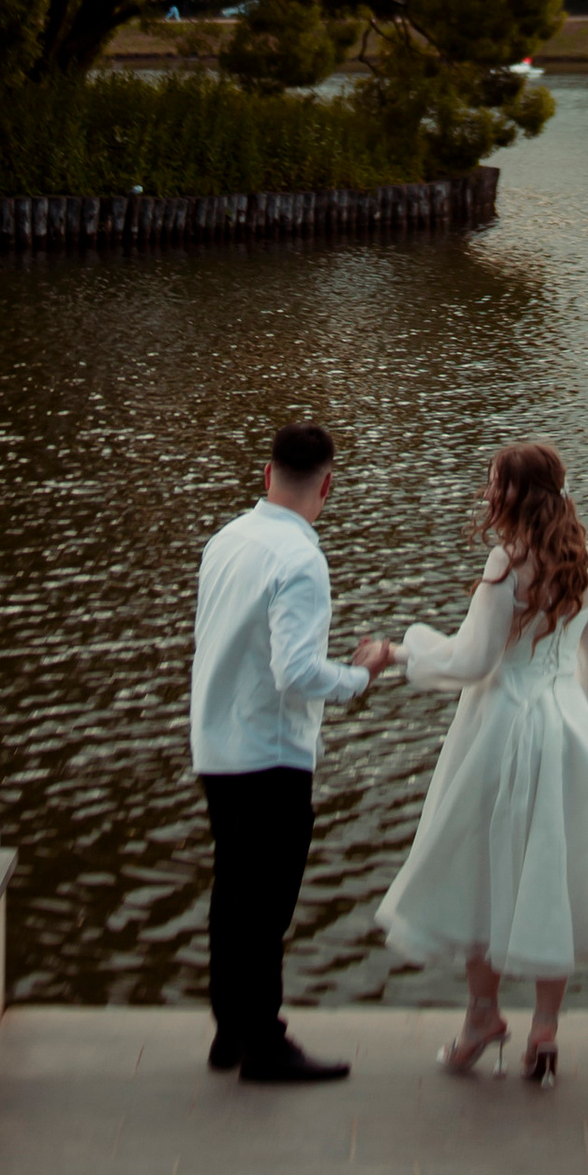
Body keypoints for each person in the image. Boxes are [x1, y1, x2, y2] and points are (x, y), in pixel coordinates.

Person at [377, 440, 588, 1086]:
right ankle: (544, 1029)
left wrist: (402, 653)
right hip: (567, 732)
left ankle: (483, 1017)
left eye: (492, 483)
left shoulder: (507, 564)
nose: (487, 494)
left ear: (512, 494)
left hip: (500, 729)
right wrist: (582, 732)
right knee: (553, 873)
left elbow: (472, 663)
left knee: (478, 871)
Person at [191, 421, 394, 1085]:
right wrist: (361, 674)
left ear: (265, 473)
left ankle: (230, 1029)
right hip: (270, 753)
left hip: (216, 745)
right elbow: (297, 672)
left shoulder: (227, 539)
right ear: (327, 485)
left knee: (233, 895)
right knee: (266, 906)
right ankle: (264, 1043)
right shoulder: (301, 560)